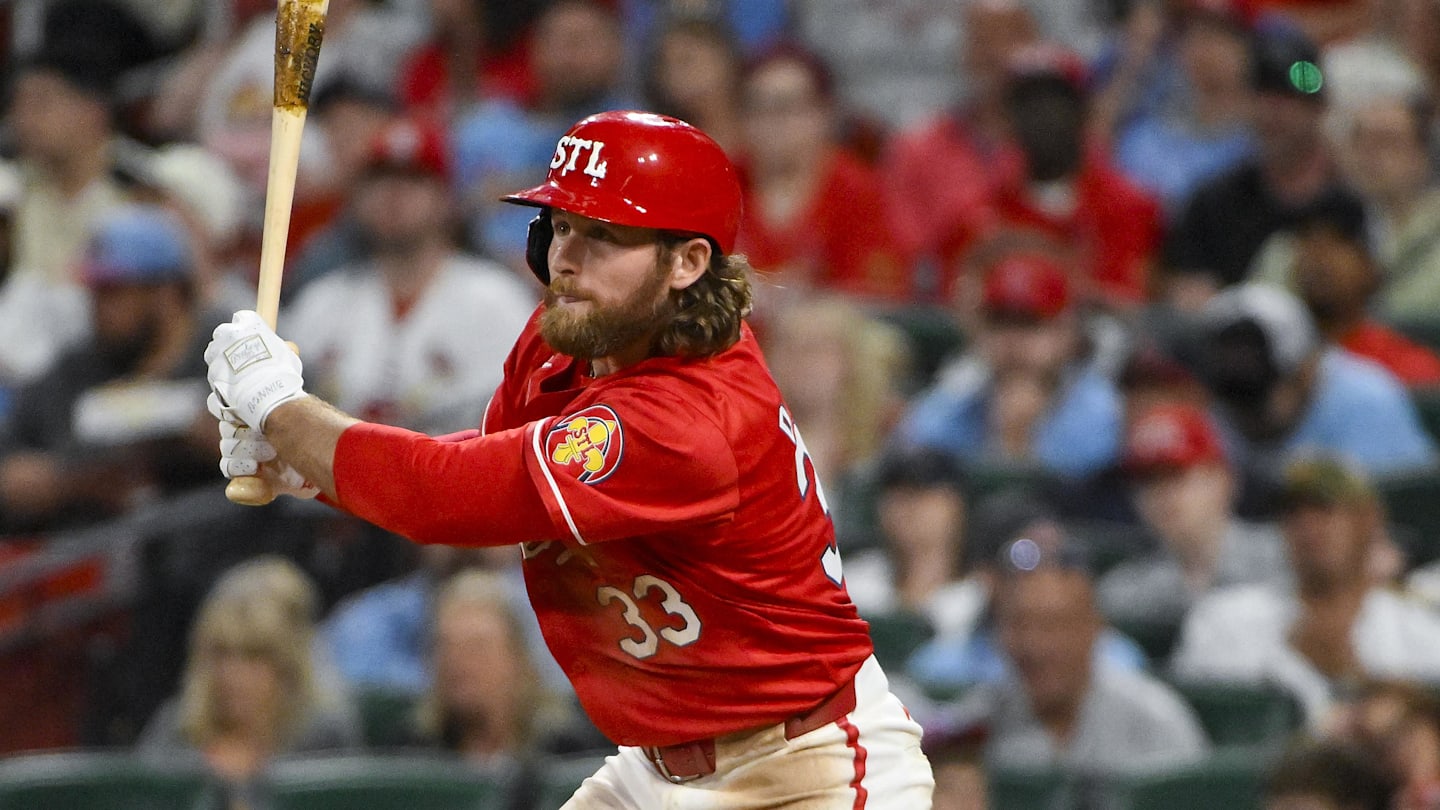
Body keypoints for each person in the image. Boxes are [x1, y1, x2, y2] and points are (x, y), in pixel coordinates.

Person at [204, 110, 934, 807]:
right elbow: (490, 474)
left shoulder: (690, 419)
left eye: (603, 234)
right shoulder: (573, 334)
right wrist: (307, 466)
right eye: (560, 224)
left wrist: (280, 406)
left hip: (807, 768)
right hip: (660, 765)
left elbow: (442, 496)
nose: (566, 257)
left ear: (687, 261)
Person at [280, 118, 535, 435]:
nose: (394, 194)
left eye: (413, 179)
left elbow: (516, 419)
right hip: (338, 477)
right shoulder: (322, 301)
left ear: (446, 198)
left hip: (453, 474)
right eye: (381, 179)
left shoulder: (496, 299)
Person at [1170, 456, 1440, 726]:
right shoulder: (1225, 618)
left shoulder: (1417, 627)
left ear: (1368, 519)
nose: (1308, 526)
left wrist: (1353, 677)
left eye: (1324, 508)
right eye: (1292, 512)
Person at [0, 204, 219, 533]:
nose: (97, 307)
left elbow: (289, 451)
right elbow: (13, 469)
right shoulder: (78, 367)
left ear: (165, 292)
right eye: (95, 293)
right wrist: (74, 481)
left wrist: (200, 434)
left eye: (113, 292)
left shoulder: (231, 351)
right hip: (98, 555)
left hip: (217, 546)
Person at [933, 537, 1209, 776]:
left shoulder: (1153, 722)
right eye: (1019, 625)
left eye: (1053, 625)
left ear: (1093, 630)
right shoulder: (976, 724)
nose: (1035, 645)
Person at [136, 556, 362, 809]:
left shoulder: (324, 735)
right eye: (222, 653)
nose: (233, 674)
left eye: (254, 655)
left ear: (289, 665)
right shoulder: (175, 730)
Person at [1096, 402, 1290, 638]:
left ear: (1223, 480)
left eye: (1176, 475)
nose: (1163, 494)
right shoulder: (1124, 592)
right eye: (1148, 482)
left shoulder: (1287, 558)